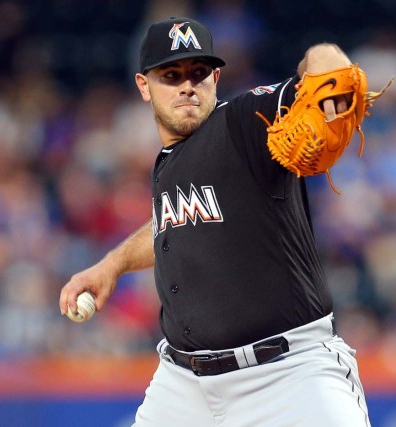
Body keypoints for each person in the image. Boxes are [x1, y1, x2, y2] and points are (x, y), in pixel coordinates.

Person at [60, 16, 373, 426]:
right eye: (171, 75)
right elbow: (169, 226)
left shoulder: (243, 122)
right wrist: (111, 265)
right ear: (143, 86)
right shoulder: (169, 164)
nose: (187, 84)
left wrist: (326, 71)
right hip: (182, 386)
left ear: (216, 78)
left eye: (198, 73)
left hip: (288, 375)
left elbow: (326, 61)